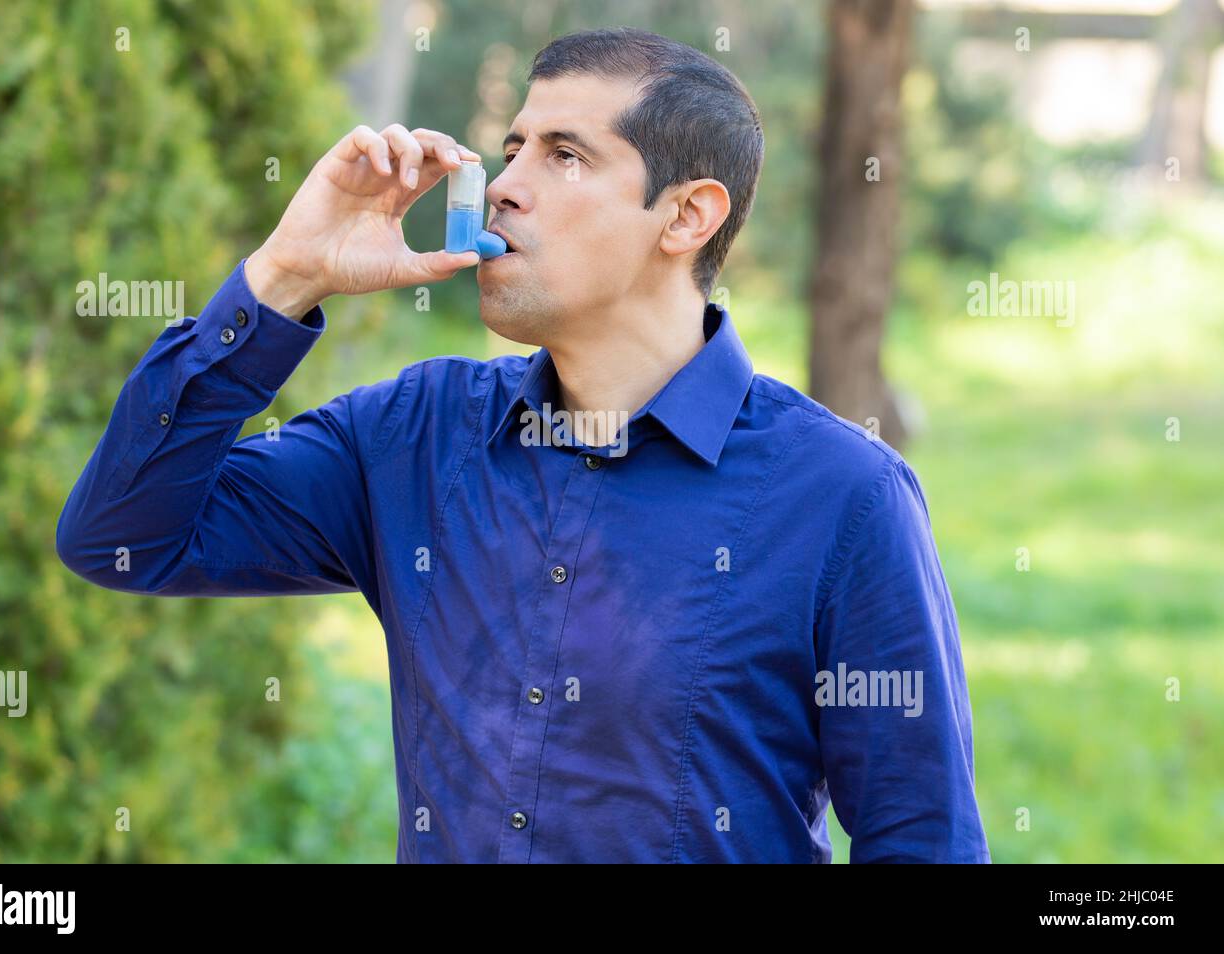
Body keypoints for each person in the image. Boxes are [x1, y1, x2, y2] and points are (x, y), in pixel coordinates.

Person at [57, 27, 990, 863]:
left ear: (687, 215)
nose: (502, 183)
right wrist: (285, 276)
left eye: (566, 155)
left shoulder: (841, 496)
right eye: (511, 149)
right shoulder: (412, 436)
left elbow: (924, 839)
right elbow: (123, 537)